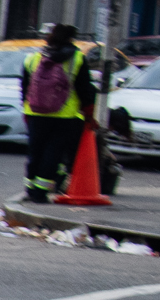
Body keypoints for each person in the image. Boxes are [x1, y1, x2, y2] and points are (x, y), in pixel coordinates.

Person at [20, 22, 101, 201]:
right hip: (64, 115)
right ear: (71, 39)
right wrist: (89, 112)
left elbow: (25, 88)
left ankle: (29, 189)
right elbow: (84, 89)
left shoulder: (34, 57)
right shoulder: (77, 58)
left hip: (35, 113)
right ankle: (41, 192)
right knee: (53, 153)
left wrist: (26, 110)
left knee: (35, 152)